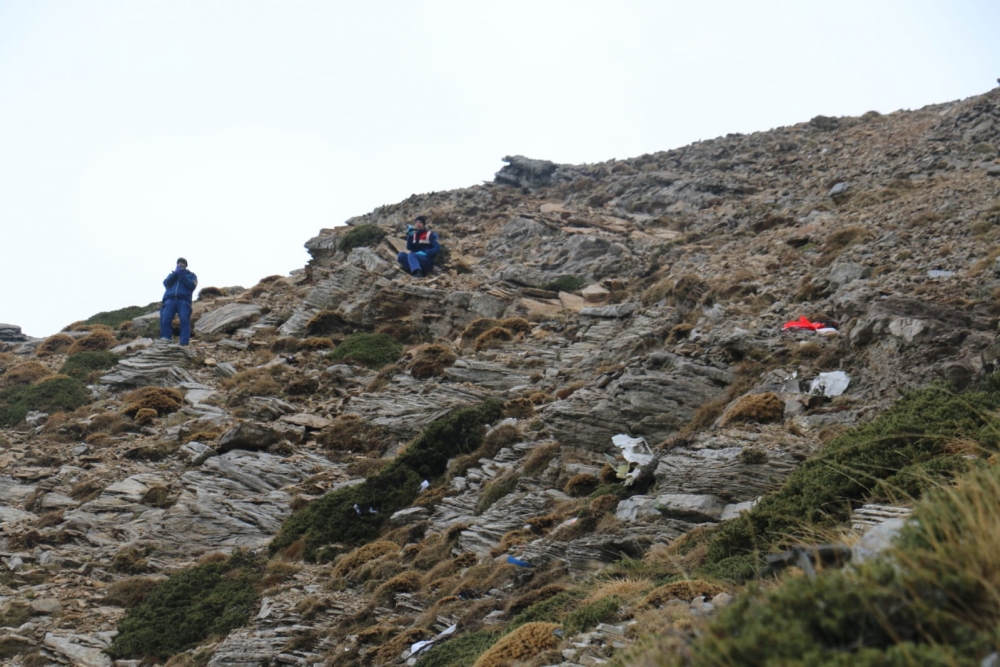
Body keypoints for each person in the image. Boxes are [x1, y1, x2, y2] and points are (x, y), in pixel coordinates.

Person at [160, 257, 198, 345]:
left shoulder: (191, 275)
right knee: (165, 319)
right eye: (179, 263)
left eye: (183, 263)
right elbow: (165, 283)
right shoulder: (172, 274)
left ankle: (184, 342)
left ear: (186, 265)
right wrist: (176, 274)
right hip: (170, 300)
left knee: (184, 320)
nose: (180, 264)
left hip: (183, 301)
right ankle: (165, 340)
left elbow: (192, 286)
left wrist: (183, 276)